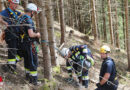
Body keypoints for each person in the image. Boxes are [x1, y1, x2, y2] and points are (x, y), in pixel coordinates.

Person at [18, 3, 40, 85]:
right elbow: (31, 34)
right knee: (33, 61)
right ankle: (34, 81)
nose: (34, 14)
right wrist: (37, 35)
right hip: (29, 43)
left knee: (27, 61)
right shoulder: (29, 20)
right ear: (31, 12)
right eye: (34, 12)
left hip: (23, 43)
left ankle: (28, 77)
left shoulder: (22, 18)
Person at [0, 0, 22, 73]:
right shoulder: (6, 11)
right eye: (15, 4)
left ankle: (10, 65)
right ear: (11, 3)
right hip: (10, 34)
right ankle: (11, 68)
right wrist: (4, 22)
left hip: (17, 34)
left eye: (17, 4)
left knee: (21, 51)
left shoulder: (17, 12)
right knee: (12, 50)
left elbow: (23, 15)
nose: (17, 6)